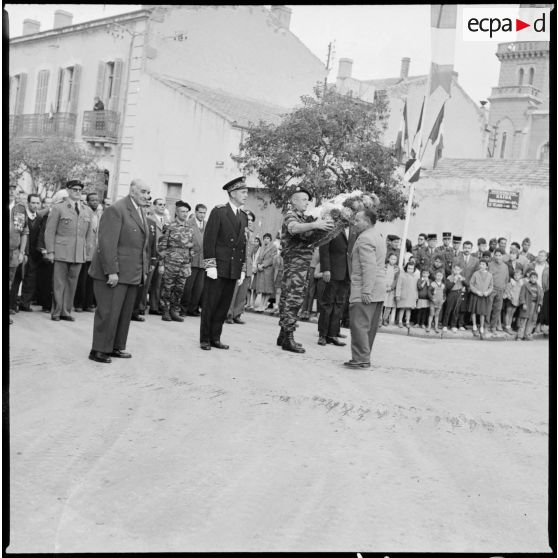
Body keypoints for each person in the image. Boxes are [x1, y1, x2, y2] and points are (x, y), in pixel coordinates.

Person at [88, 179, 151, 363]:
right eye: (144, 191)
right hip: (114, 273)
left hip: (131, 273)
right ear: (132, 191)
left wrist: (143, 270)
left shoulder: (140, 211)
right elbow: (107, 243)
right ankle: (99, 350)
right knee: (108, 312)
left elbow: (141, 247)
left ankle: (116, 346)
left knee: (123, 314)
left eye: (149, 192)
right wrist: (111, 271)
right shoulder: (117, 209)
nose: (147, 196)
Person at [277, 186, 334, 353]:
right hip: (295, 263)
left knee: (288, 298)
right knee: (293, 299)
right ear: (293, 201)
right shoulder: (291, 215)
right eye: (303, 200)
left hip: (301, 264)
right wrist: (315, 224)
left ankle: (283, 334)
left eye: (307, 200)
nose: (306, 203)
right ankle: (288, 337)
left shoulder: (304, 217)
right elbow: (294, 228)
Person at [200, 176, 250, 351]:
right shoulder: (219, 212)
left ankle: (216, 337)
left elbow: (242, 245)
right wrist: (210, 265)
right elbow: (209, 240)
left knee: (223, 306)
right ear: (233, 193)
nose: (246, 195)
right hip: (218, 266)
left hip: (233, 268)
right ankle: (205, 338)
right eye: (243, 192)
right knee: (210, 304)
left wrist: (242, 268)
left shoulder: (243, 216)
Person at [44, 180, 94, 322]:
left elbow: (89, 234)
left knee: (72, 283)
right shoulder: (59, 208)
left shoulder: (87, 210)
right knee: (59, 283)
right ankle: (56, 311)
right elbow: (50, 231)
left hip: (78, 252)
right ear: (68, 190)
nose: (77, 192)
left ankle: (66, 311)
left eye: (80, 190)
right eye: (74, 189)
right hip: (61, 250)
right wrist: (50, 251)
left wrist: (88, 252)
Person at [344, 208, 386, 369]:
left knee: (359, 325)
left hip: (365, 289)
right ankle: (364, 357)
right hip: (378, 290)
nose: (355, 223)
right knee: (369, 327)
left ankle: (360, 358)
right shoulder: (377, 236)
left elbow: (369, 267)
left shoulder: (364, 239)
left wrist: (366, 290)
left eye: (357, 220)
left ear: (367, 221)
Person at [158, 200, 195, 322]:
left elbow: (191, 248)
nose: (185, 214)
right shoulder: (169, 227)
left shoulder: (190, 229)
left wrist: (189, 264)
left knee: (179, 289)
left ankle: (174, 311)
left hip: (184, 263)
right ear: (177, 213)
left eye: (186, 212)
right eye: (182, 211)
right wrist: (161, 264)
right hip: (171, 262)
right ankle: (165, 311)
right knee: (167, 288)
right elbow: (162, 247)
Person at [317, 226, 350, 346]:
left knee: (339, 304)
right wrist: (326, 269)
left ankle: (333, 334)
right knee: (327, 303)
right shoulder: (333, 228)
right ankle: (323, 335)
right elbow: (323, 247)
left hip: (347, 272)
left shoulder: (355, 229)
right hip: (333, 271)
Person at [227, 209, 258, 324]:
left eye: (251, 220)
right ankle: (228, 314)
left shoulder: (252, 234)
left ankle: (237, 314)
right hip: (238, 265)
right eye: (247, 219)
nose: (249, 222)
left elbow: (251, 252)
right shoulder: (238, 232)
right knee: (233, 291)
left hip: (248, 266)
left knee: (242, 293)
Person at [74, 192, 101, 312]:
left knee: (91, 280)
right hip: (84, 251)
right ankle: (79, 304)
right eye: (92, 200)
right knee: (82, 279)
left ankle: (88, 304)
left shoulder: (99, 214)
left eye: (97, 200)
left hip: (95, 252)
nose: (95, 202)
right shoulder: (84, 212)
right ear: (87, 201)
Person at [180, 203, 207, 316]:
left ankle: (193, 308)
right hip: (191, 259)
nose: (202, 215)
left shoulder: (207, 224)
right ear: (196, 212)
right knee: (188, 286)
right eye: (200, 212)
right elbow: (184, 240)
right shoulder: (188, 223)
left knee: (199, 287)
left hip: (202, 261)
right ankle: (183, 308)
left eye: (204, 213)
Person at [145, 198, 169, 315]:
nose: (162, 207)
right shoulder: (149, 218)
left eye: (164, 205)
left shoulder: (167, 220)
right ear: (154, 206)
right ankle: (141, 306)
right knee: (147, 281)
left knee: (158, 283)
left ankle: (154, 306)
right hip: (152, 254)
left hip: (163, 255)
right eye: (160, 204)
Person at [17, 194, 42, 312]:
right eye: (33, 203)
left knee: (30, 279)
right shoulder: (22, 216)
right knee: (17, 278)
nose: (35, 205)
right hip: (22, 252)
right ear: (28, 203)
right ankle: (12, 303)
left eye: (37, 203)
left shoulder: (40, 218)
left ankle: (25, 303)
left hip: (34, 254)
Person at [8, 185, 29, 323]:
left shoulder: (20, 209)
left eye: (13, 191)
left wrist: (22, 252)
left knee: (9, 284)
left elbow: (24, 232)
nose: (11, 193)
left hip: (14, 253)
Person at [468, 259, 493, 338]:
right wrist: (476, 291)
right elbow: (471, 284)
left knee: (482, 312)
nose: (482, 266)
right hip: (476, 295)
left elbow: (491, 286)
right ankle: (474, 325)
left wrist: (487, 292)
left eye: (483, 265)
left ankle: (481, 326)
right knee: (474, 311)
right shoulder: (475, 273)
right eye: (480, 264)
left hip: (484, 296)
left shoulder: (490, 275)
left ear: (486, 266)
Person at [516, 270, 543, 340]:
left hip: (535, 305)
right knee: (523, 320)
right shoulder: (525, 286)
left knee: (531, 320)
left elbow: (540, 298)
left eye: (534, 277)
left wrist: (539, 305)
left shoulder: (539, 288)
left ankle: (527, 335)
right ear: (529, 278)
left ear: (537, 278)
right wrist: (523, 303)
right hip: (527, 304)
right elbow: (521, 295)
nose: (533, 279)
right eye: (531, 277)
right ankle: (520, 336)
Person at [253, 233, 277, 312]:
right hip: (261, 270)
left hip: (268, 270)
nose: (266, 240)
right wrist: (258, 265)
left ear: (270, 239)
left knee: (268, 288)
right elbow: (258, 257)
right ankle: (261, 304)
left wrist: (263, 265)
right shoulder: (262, 247)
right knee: (263, 289)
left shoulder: (273, 247)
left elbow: (272, 259)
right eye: (265, 238)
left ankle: (264, 304)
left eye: (267, 238)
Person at [487, 248, 509, 333]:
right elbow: (487, 278)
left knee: (497, 309)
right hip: (491, 290)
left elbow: (506, 280)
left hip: (500, 291)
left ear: (503, 256)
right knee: (488, 309)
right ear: (494, 255)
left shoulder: (505, 266)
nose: (498, 257)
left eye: (499, 255)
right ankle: (486, 326)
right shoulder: (490, 265)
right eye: (496, 255)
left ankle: (493, 327)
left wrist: (505, 291)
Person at [442, 262, 467, 332]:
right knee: (448, 309)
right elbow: (448, 287)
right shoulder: (449, 277)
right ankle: (445, 325)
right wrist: (455, 280)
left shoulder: (461, 277)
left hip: (458, 293)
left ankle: (453, 325)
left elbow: (466, 285)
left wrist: (462, 280)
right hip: (451, 293)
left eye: (458, 270)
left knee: (456, 310)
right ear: (453, 270)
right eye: (455, 269)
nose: (456, 271)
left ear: (461, 270)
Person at [395, 260, 418, 328]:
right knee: (402, 308)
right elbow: (399, 285)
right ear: (406, 268)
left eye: (411, 268)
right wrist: (397, 295)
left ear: (414, 269)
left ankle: (407, 321)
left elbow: (415, 288)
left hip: (411, 296)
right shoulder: (402, 275)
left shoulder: (415, 277)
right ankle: (400, 321)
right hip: (403, 295)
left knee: (409, 309)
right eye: (408, 268)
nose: (410, 270)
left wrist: (416, 296)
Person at [300, 248, 320, 321]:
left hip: (317, 269)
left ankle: (309, 311)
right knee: (307, 290)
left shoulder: (320, 247)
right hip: (310, 268)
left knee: (313, 291)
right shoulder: (312, 248)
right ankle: (304, 310)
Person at [503, 268, 524, 333]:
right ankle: (507, 327)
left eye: (518, 275)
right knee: (508, 313)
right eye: (515, 275)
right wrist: (509, 296)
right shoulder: (511, 283)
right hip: (510, 300)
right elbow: (506, 291)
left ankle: (509, 326)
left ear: (521, 276)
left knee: (512, 314)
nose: (516, 277)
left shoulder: (521, 284)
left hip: (516, 301)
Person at [382, 253, 399, 325]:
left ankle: (385, 319)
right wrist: (383, 286)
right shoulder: (384, 266)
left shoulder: (397, 269)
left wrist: (391, 287)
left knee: (389, 305)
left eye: (395, 259)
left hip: (391, 290)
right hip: (383, 288)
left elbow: (396, 280)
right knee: (381, 304)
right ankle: (379, 319)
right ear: (388, 259)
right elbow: (381, 277)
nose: (393, 260)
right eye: (392, 259)